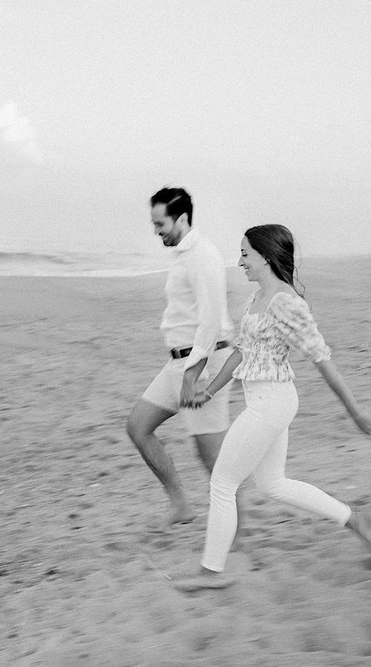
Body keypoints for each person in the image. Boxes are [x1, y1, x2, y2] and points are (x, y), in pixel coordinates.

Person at [172, 223, 371, 592]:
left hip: (271, 402)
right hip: (266, 400)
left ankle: (210, 573)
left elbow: (321, 359)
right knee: (272, 484)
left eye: (245, 254)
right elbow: (240, 352)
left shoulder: (285, 303)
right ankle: (355, 519)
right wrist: (209, 391)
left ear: (265, 256)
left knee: (222, 483)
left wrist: (355, 410)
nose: (239, 262)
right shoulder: (257, 299)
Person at [126, 187, 239, 527]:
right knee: (138, 427)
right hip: (179, 363)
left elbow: (211, 322)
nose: (156, 230)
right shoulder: (182, 254)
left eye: (160, 223)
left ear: (182, 218)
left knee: (212, 459)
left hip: (204, 364)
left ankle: (240, 527)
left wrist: (192, 376)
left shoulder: (202, 256)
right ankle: (180, 504)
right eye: (154, 223)